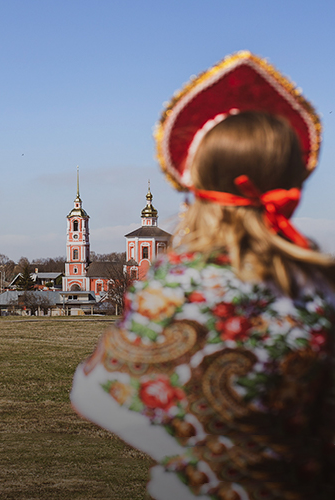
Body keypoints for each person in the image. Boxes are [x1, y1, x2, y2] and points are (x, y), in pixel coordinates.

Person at [70, 52, 335, 500]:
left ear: (195, 185)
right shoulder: (320, 284)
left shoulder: (177, 283)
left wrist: (195, 453)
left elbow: (95, 396)